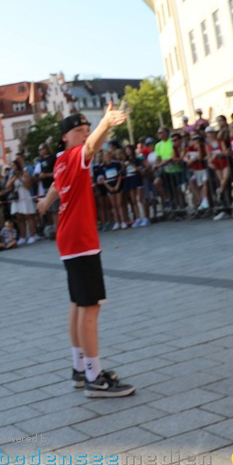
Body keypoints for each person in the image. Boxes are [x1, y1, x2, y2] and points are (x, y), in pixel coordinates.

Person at [37, 108, 135, 398]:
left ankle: (80, 368)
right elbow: (92, 146)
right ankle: (95, 377)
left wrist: (46, 201)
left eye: (86, 129)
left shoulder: (60, 161)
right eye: (79, 131)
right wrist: (106, 123)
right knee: (91, 307)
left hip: (69, 239)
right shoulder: (76, 155)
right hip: (80, 239)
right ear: (66, 136)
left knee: (78, 305)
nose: (84, 134)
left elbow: (57, 183)